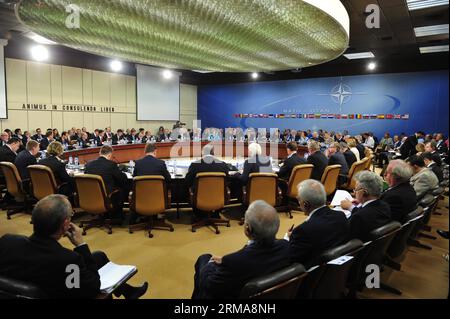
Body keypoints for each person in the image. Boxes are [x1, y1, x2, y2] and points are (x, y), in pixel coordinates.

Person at [0, 195, 148, 299]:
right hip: (59, 293)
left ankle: (129, 292)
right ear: (65, 224)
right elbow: (90, 289)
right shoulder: (68, 261)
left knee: (99, 256)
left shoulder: (7, 241)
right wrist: (81, 245)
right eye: (71, 215)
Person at [192, 200, 290, 299]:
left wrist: (211, 263)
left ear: (248, 228)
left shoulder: (234, 261)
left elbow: (209, 285)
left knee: (204, 258)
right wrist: (225, 262)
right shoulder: (286, 246)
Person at [286, 180, 349, 268]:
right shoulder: (340, 216)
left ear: (305, 204)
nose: (298, 202)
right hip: (339, 270)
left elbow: (291, 260)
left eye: (299, 199)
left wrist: (292, 239)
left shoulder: (303, 230)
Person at [341, 171, 392, 242]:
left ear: (364, 192)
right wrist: (361, 202)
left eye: (356, 189)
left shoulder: (359, 217)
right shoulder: (385, 206)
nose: (354, 192)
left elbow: (346, 239)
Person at [84, 145, 131, 219]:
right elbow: (122, 178)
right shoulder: (111, 165)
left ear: (100, 153)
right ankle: (118, 216)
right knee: (125, 186)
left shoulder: (89, 164)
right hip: (107, 196)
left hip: (90, 196)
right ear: (109, 155)